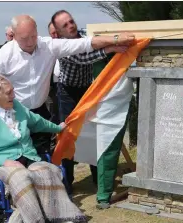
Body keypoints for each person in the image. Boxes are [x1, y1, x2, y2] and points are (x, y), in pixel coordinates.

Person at [0, 14, 135, 158]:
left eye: (33, 36)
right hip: (14, 115)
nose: (30, 42)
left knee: (41, 157)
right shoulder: (5, 54)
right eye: (24, 38)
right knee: (18, 157)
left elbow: (84, 44)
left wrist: (115, 40)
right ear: (14, 36)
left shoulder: (48, 46)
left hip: (40, 113)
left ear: (37, 30)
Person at [0, 75, 87, 223]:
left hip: (30, 157)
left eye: (13, 91)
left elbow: (38, 122)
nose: (13, 95)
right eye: (9, 93)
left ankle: (62, 217)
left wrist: (58, 128)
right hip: (2, 165)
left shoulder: (17, 107)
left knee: (48, 170)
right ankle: (35, 219)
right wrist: (5, 161)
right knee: (22, 178)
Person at [51, 10, 129, 194]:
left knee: (94, 133)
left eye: (71, 21)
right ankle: (67, 182)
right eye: (65, 25)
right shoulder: (61, 46)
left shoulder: (88, 36)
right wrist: (111, 47)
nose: (70, 25)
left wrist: (113, 40)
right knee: (67, 135)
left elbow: (96, 43)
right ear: (59, 32)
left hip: (87, 89)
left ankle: (97, 177)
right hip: (67, 94)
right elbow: (84, 58)